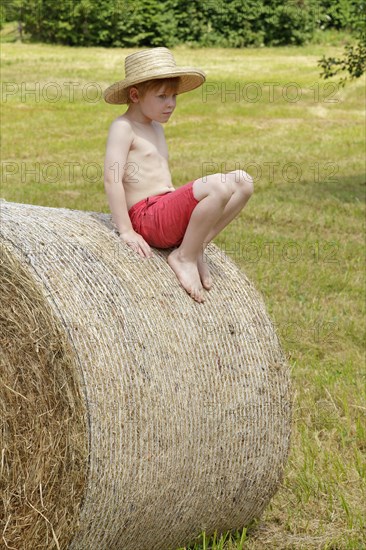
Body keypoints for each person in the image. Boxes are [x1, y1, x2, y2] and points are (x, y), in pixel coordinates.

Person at [103, 47, 253, 303]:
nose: (170, 104)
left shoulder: (156, 128)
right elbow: (111, 179)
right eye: (162, 96)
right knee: (217, 186)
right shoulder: (123, 127)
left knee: (243, 182)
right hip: (147, 217)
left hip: (165, 209)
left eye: (174, 96)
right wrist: (126, 230)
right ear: (135, 94)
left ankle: (195, 248)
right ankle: (183, 258)